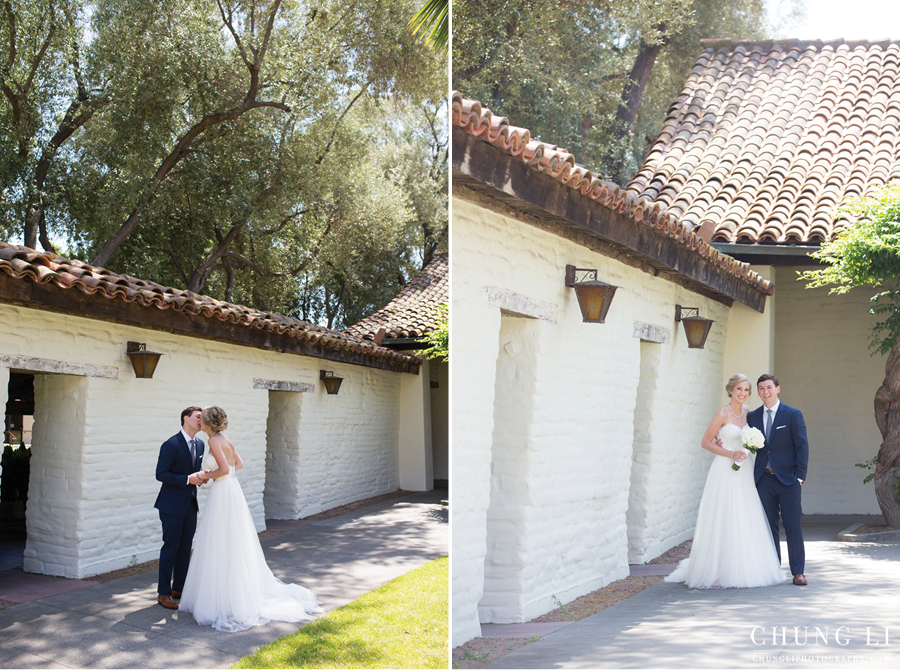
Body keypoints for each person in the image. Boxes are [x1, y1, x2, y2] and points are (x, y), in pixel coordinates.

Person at [178, 406, 323, 632]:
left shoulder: (214, 440)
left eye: (201, 419)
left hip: (223, 491)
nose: (199, 422)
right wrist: (218, 475)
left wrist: (205, 475)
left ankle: (224, 597)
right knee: (231, 539)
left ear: (206, 423)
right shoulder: (223, 438)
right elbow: (239, 464)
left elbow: (225, 468)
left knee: (221, 539)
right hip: (230, 489)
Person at [665, 374, 786, 589]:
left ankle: (745, 566)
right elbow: (705, 441)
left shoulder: (750, 413)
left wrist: (749, 449)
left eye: (747, 390)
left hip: (744, 470)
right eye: (739, 389)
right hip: (725, 468)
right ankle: (716, 569)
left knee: (743, 515)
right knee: (723, 515)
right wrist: (729, 453)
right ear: (731, 390)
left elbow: (757, 439)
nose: (743, 393)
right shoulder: (722, 413)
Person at [749, 374, 809, 586]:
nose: (765, 392)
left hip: (789, 480)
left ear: (778, 389)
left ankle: (798, 572)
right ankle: (773, 569)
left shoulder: (792, 414)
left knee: (793, 525)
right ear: (758, 392)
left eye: (769, 387)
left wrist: (800, 477)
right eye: (761, 388)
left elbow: (802, 446)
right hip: (763, 480)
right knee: (768, 526)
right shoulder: (753, 417)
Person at [154, 406, 206, 609]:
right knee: (171, 548)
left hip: (191, 504)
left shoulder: (200, 444)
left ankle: (179, 588)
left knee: (185, 549)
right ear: (186, 418)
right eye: (198, 417)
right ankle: (163, 592)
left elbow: (195, 471)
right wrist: (188, 479)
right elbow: (161, 474)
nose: (201, 421)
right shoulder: (171, 444)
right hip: (171, 505)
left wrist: (201, 477)